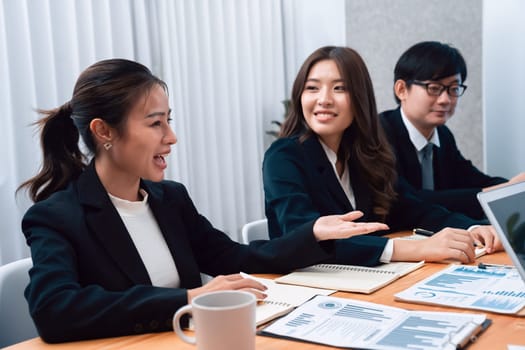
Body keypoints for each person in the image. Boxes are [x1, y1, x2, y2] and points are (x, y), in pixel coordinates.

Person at [18, 59, 389, 343]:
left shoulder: (169, 199)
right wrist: (191, 297)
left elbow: (235, 257)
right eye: (155, 123)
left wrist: (313, 233)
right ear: (104, 131)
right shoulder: (55, 217)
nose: (172, 136)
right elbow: (55, 310)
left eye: (169, 120)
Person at [263, 46, 503, 268]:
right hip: (307, 285)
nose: (324, 99)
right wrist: (415, 248)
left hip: (365, 279)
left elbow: (414, 208)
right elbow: (306, 236)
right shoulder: (284, 157)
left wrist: (472, 228)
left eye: (339, 88)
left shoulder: (365, 153)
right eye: (312, 88)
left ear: (360, 98)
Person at [379, 41, 525, 220]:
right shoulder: (379, 134)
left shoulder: (442, 135)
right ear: (402, 90)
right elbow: (408, 201)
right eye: (434, 88)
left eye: (454, 89)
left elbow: (472, 179)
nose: (445, 99)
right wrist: (497, 192)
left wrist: (514, 188)